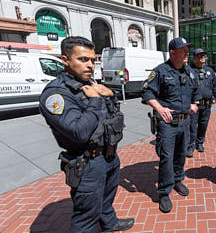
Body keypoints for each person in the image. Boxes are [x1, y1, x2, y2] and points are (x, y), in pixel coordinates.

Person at [39, 36, 134, 233]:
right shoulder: (56, 94)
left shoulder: (90, 83)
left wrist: (110, 94)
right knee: (86, 217)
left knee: (107, 198)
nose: (90, 65)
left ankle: (109, 223)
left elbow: (108, 115)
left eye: (92, 60)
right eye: (83, 60)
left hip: (108, 155)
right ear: (65, 60)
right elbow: (78, 132)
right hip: (87, 163)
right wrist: (95, 101)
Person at [141, 37, 201, 213]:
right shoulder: (160, 71)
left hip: (185, 122)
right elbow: (146, 92)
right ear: (173, 53)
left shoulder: (189, 71)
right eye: (183, 50)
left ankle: (177, 180)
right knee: (166, 156)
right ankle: (164, 191)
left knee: (181, 154)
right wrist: (159, 108)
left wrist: (195, 104)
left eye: (187, 50)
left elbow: (196, 90)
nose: (187, 53)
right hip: (168, 123)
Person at [186, 48, 216, 158]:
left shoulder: (210, 71)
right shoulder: (189, 71)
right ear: (194, 58)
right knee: (192, 126)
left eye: (203, 56)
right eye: (200, 56)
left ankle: (199, 143)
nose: (202, 58)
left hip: (206, 105)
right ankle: (190, 146)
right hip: (194, 106)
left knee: (203, 126)